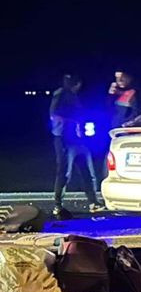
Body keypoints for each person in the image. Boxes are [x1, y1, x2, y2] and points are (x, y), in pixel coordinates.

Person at [50, 74, 85, 217]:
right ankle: (58, 204)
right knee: (64, 172)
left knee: (87, 170)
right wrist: (72, 122)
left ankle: (94, 201)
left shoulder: (72, 95)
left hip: (75, 139)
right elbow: (54, 114)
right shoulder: (61, 94)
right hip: (64, 137)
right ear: (75, 84)